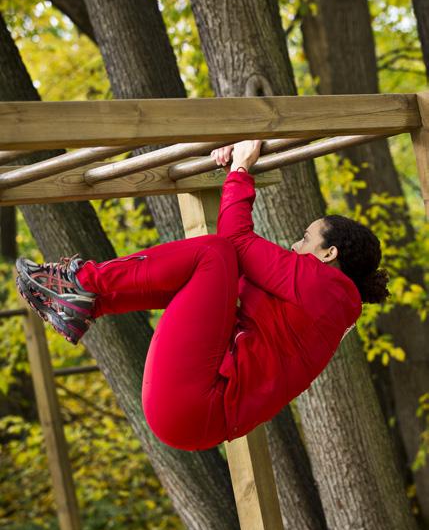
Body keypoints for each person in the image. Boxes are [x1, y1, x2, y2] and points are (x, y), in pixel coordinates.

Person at [15, 140, 390, 452]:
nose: (295, 244)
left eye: (306, 239)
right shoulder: (320, 307)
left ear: (329, 254)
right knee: (212, 269)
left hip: (194, 401)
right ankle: (85, 300)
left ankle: (81, 283)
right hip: (194, 415)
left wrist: (242, 167)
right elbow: (221, 283)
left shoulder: (325, 289)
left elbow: (234, 242)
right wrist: (233, 172)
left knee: (214, 252)